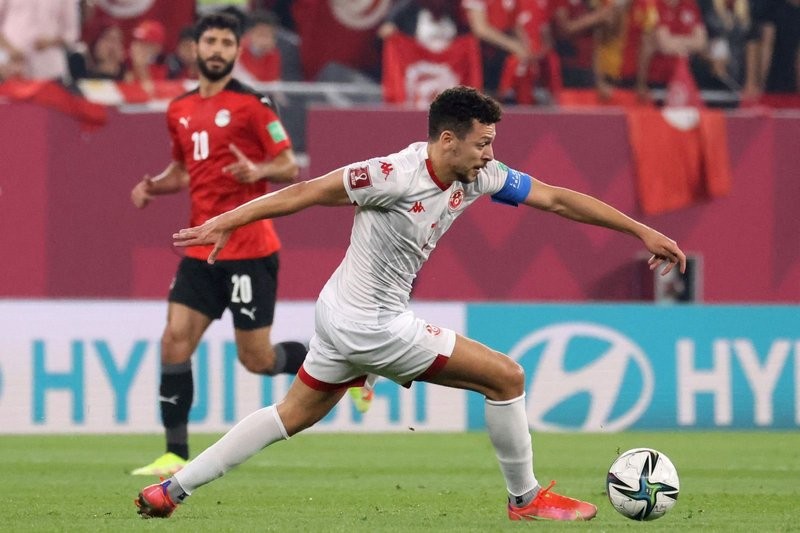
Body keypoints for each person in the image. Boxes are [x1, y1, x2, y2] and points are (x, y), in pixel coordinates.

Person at [134, 85, 686, 520]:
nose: (490, 154)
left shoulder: (478, 176)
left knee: (291, 415)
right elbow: (305, 192)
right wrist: (228, 220)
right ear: (448, 140)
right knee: (507, 378)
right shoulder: (391, 175)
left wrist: (641, 231)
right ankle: (525, 500)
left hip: (341, 313)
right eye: (482, 143)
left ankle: (172, 489)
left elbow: (558, 199)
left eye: (491, 143)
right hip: (371, 325)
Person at [128, 12, 346, 478]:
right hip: (200, 247)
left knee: (257, 359)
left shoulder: (253, 104)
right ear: (196, 48)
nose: (218, 50)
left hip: (250, 248)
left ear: (237, 51)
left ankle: (342, 365)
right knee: (174, 341)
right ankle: (175, 453)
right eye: (211, 41)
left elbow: (288, 166)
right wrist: (153, 186)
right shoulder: (179, 108)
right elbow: (184, 170)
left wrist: (258, 170)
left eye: (227, 43)